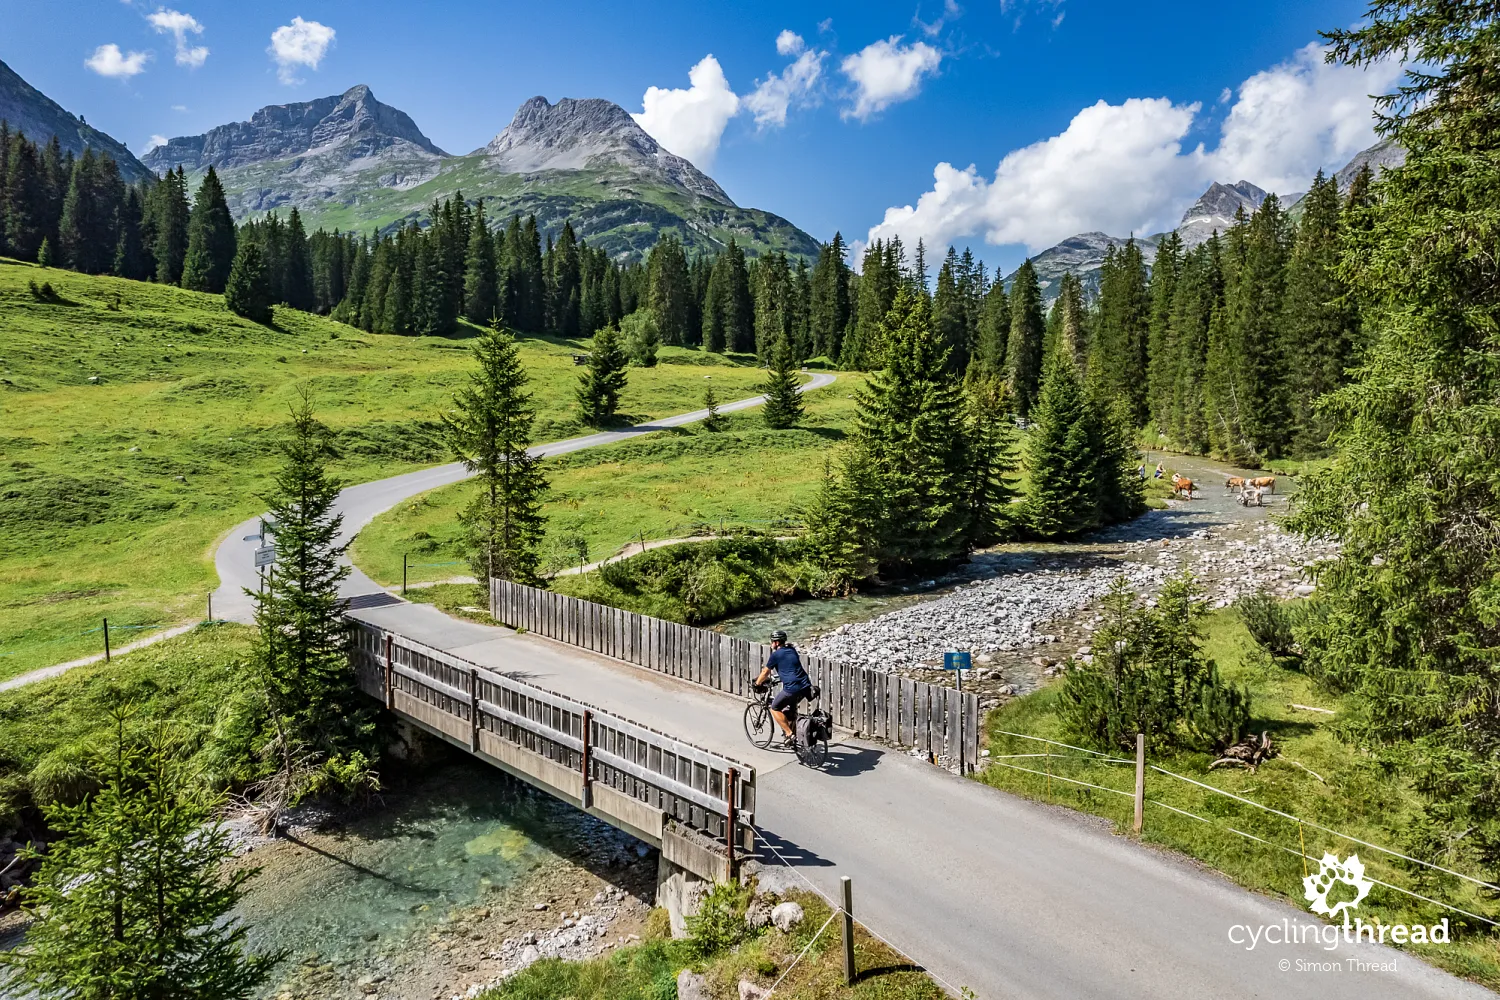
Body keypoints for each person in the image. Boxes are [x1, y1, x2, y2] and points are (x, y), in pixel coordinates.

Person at [753, 630, 812, 747]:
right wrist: (779, 677)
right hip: (805, 686)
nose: (771, 644)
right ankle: (793, 731)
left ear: (776, 642)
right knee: (790, 708)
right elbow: (789, 668)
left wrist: (758, 684)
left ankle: (790, 734)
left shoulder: (775, 655)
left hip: (792, 688)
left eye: (772, 641)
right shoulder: (792, 650)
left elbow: (765, 672)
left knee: (775, 707)